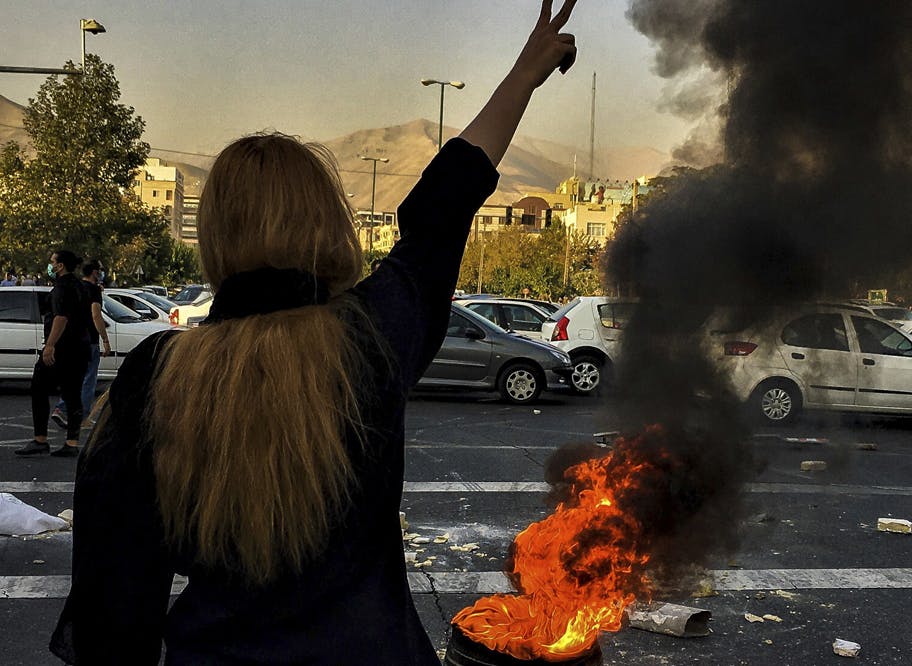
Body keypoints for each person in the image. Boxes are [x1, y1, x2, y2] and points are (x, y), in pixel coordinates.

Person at [49, 2, 578, 663]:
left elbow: (113, 612)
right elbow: (442, 208)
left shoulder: (157, 375)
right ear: (327, 224)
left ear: (216, 236)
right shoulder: (370, 339)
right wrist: (523, 77)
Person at [15, 250, 92, 457]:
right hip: (80, 348)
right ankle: (71, 443)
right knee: (73, 394)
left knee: (39, 389)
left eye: (52, 262)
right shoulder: (80, 286)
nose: (50, 265)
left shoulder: (62, 287)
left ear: (60, 266)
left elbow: (61, 318)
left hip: (63, 350)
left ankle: (40, 440)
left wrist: (50, 346)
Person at [50, 259, 111, 429]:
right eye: (101, 269)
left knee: (74, 378)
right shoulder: (93, 290)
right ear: (94, 272)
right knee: (88, 380)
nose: (102, 272)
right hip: (88, 340)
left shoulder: (75, 286)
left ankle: (61, 408)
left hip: (71, 339)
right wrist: (105, 339)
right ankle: (80, 417)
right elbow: (96, 315)